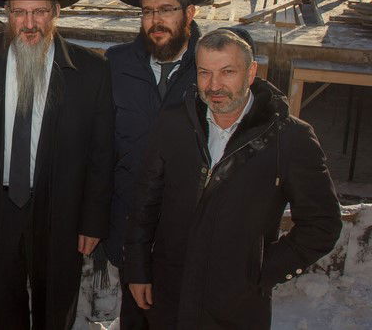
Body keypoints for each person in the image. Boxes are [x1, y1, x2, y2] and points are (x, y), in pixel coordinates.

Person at [124, 28, 342, 329]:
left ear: (251, 72)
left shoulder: (289, 138)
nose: (214, 85)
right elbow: (144, 202)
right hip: (169, 294)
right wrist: (137, 269)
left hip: (236, 307)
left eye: (227, 72)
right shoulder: (174, 122)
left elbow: (322, 224)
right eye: (205, 73)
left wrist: (258, 271)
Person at [0, 0, 114, 330]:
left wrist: (93, 221)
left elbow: (101, 154)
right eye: (19, 13)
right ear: (7, 14)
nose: (29, 24)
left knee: (55, 305)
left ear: (56, 13)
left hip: (58, 210)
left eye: (39, 12)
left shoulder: (90, 72)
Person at [102, 0, 212, 329]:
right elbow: (99, 150)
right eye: (149, 11)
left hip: (192, 236)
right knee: (135, 318)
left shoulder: (211, 68)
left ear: (190, 12)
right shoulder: (116, 66)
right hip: (131, 230)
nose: (156, 20)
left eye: (167, 9)